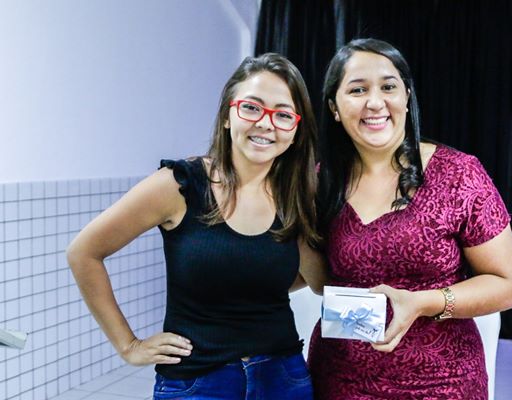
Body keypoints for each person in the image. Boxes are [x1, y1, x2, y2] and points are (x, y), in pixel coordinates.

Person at [67, 53, 326, 399]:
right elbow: (84, 252)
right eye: (251, 107)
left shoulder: (296, 196)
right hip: (197, 382)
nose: (266, 123)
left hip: (282, 378)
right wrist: (128, 345)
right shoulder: (180, 184)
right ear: (227, 116)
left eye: (283, 115)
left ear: (295, 132)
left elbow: (316, 281)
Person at [308, 38, 512, 399]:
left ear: (406, 97)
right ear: (334, 107)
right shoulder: (320, 183)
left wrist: (424, 302)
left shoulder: (458, 173)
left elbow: (508, 284)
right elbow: (320, 283)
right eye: (358, 90)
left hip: (443, 383)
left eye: (388, 87)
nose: (375, 102)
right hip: (340, 380)